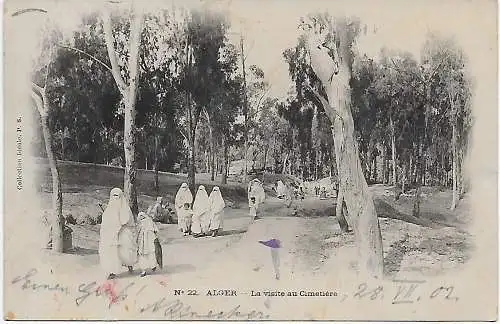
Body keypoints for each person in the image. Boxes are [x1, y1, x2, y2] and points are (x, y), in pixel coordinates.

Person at [99, 188, 138, 279]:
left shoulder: (125, 208)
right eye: (114, 196)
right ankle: (112, 270)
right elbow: (106, 222)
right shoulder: (109, 209)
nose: (116, 198)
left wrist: (120, 226)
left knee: (125, 251)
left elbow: (127, 220)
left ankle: (129, 264)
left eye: (118, 196)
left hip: (123, 232)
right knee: (112, 252)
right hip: (112, 235)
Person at [136, 212, 160, 277]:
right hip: (141, 242)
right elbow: (137, 233)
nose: (141, 218)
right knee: (142, 255)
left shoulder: (149, 221)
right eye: (140, 216)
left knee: (151, 253)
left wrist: (154, 238)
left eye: (142, 216)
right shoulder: (139, 224)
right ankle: (143, 270)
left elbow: (154, 230)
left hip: (149, 241)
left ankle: (153, 265)